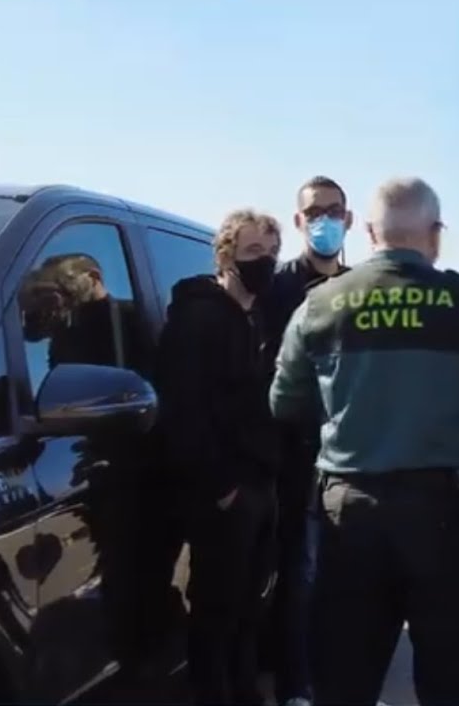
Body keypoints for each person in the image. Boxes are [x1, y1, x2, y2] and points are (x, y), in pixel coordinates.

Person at [269, 177, 459, 706]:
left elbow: (283, 403)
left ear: (370, 232)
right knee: (452, 681)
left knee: (344, 680)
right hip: (443, 514)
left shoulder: (320, 304)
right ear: (435, 233)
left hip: (349, 514)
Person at [154, 209, 283, 705]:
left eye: (271, 252)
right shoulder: (198, 319)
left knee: (249, 610)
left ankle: (245, 693)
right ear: (226, 256)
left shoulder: (256, 317)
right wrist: (223, 488)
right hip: (222, 494)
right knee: (215, 612)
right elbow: (183, 412)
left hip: (259, 483)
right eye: (253, 251)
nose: (264, 262)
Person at [260, 175, 352, 706]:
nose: (324, 221)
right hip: (296, 458)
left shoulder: (361, 287)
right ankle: (297, 687)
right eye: (314, 212)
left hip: (351, 459)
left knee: (348, 579)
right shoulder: (278, 289)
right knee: (302, 573)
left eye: (333, 211)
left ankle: (338, 680)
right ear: (299, 221)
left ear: (349, 218)